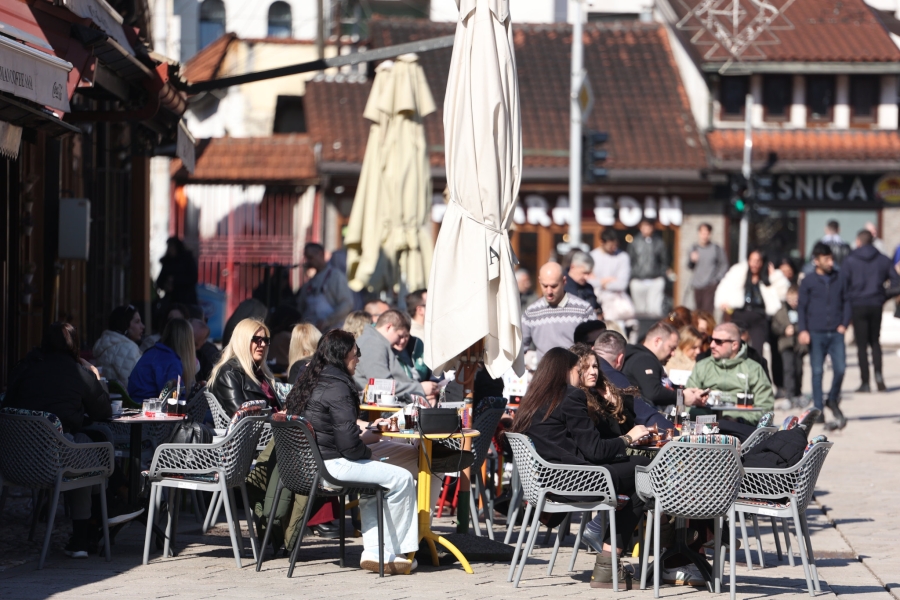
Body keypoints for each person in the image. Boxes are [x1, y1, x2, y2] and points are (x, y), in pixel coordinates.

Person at [510, 347, 651, 588]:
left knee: (639, 474)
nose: (581, 375)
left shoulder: (534, 399)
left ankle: (607, 559)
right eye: (578, 370)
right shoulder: (571, 396)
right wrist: (628, 438)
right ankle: (610, 564)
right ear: (565, 372)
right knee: (647, 470)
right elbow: (595, 450)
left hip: (548, 483)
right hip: (579, 481)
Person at [4, 323, 143, 557]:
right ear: (74, 346)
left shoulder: (24, 368)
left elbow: (7, 403)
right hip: (56, 461)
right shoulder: (77, 373)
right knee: (92, 449)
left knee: (84, 440)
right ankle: (110, 505)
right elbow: (103, 412)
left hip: (14, 462)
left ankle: (82, 538)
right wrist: (96, 376)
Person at [285, 330, 418, 574]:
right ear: (343, 354)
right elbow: (348, 446)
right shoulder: (339, 386)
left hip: (306, 467)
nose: (359, 358)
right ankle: (397, 552)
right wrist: (369, 454)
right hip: (331, 467)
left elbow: (335, 435)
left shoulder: (310, 380)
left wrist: (368, 445)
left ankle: (376, 551)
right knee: (401, 478)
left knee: (379, 479)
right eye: (356, 352)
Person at [798, 243, 850, 429]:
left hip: (836, 332)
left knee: (841, 368)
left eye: (831, 258)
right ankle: (818, 409)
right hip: (816, 332)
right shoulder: (808, 281)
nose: (831, 262)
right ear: (816, 260)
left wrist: (844, 324)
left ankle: (833, 399)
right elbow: (801, 307)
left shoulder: (839, 278)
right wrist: (803, 330)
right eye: (827, 258)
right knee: (817, 372)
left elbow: (846, 301)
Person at [843, 229, 900, 393]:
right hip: (876, 304)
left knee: (861, 345)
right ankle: (879, 376)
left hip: (858, 304)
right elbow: (896, 283)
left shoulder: (851, 260)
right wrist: (883, 296)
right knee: (875, 341)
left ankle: (865, 382)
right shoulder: (883, 259)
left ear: (858, 242)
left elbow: (844, 286)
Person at [685, 323, 775, 425]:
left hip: (740, 427)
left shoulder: (754, 369)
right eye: (711, 339)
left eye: (718, 341)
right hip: (705, 426)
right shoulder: (702, 366)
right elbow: (687, 403)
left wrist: (739, 420)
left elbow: (765, 408)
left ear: (734, 345)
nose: (712, 345)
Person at [592, 331, 672, 431]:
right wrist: (674, 433)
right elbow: (644, 415)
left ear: (593, 350)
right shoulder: (612, 376)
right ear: (620, 359)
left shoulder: (577, 367)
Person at [715, 249, 789, 352]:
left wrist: (775, 276)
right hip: (740, 315)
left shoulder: (767, 278)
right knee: (736, 348)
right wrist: (724, 302)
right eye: (752, 260)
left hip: (759, 318)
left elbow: (783, 293)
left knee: (757, 350)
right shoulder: (739, 274)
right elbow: (726, 287)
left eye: (758, 261)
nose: (755, 264)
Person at [621, 321, 707, 408]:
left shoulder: (646, 358)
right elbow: (653, 393)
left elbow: (666, 386)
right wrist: (682, 397)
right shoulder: (644, 359)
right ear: (657, 341)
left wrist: (689, 393)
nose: (673, 354)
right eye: (671, 348)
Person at [354, 310, 437, 399]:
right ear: (389, 327)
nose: (402, 341)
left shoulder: (375, 342)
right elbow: (381, 385)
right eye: (400, 336)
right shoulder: (372, 343)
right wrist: (420, 388)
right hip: (381, 410)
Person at [522, 262, 596, 360]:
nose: (549, 291)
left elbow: (596, 346)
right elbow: (519, 348)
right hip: (544, 373)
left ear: (564, 281)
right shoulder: (531, 312)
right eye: (545, 286)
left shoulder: (584, 310)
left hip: (575, 372)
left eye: (554, 286)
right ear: (539, 281)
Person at [207, 318, 280, 416]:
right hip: (256, 429)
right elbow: (240, 414)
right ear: (243, 342)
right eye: (257, 340)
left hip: (275, 428)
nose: (262, 344)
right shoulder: (229, 372)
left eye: (265, 340)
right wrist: (278, 418)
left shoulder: (261, 372)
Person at [128, 318, 196, 400]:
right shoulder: (171, 361)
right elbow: (174, 399)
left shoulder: (153, 352)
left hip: (136, 404)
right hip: (148, 408)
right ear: (188, 342)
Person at [297, 243, 353, 331]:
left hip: (332, 331)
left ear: (320, 254)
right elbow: (301, 306)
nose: (308, 261)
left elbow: (347, 304)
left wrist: (328, 321)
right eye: (307, 258)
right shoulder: (310, 282)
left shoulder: (336, 276)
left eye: (311, 257)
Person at [92, 305, 145, 388]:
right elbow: (139, 385)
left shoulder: (104, 345)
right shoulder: (129, 349)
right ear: (125, 324)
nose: (142, 326)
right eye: (137, 322)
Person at [590, 229, 634, 325]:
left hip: (616, 303)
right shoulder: (592, 256)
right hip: (597, 298)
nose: (614, 248)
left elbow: (622, 284)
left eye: (615, 245)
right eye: (610, 246)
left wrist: (601, 283)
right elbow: (589, 280)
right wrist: (606, 281)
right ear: (602, 242)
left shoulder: (623, 257)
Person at [772, 285, 806, 405]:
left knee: (799, 369)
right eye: (790, 299)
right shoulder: (781, 311)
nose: (793, 302)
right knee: (788, 369)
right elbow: (775, 327)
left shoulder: (802, 310)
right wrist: (784, 330)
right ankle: (789, 394)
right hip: (786, 344)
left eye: (796, 299)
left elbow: (805, 325)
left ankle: (798, 392)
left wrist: (796, 329)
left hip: (799, 345)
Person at [627, 219, 668, 317]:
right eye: (644, 226)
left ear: (652, 228)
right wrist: (633, 274)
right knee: (639, 310)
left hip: (655, 279)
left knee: (654, 310)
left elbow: (664, 260)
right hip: (638, 279)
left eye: (648, 226)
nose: (646, 229)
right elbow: (630, 260)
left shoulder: (659, 242)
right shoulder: (635, 242)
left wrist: (661, 273)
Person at [687, 223, 728, 313]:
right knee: (698, 312)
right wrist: (692, 260)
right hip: (697, 285)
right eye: (702, 233)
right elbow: (689, 266)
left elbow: (724, 264)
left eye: (706, 233)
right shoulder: (694, 248)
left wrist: (717, 279)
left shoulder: (716, 249)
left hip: (710, 285)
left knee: (707, 312)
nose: (704, 236)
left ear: (710, 234)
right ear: (699, 233)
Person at [156, 237, 198, 305]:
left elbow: (192, 278)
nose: (170, 250)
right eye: (169, 247)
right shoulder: (167, 262)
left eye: (172, 247)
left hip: (186, 300)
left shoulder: (187, 260)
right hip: (172, 301)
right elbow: (159, 281)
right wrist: (166, 285)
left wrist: (174, 281)